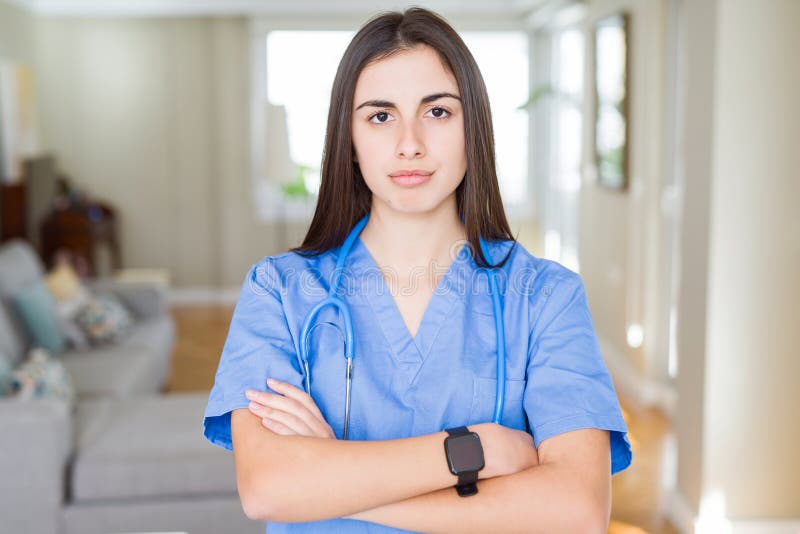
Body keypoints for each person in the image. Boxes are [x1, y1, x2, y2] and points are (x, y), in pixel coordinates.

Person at [203, 7, 632, 532]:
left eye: (438, 112)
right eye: (380, 116)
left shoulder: (546, 297)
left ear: (473, 129)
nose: (410, 143)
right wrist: (477, 452)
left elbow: (577, 509)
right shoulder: (279, 290)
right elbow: (269, 487)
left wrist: (332, 482)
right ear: (351, 140)